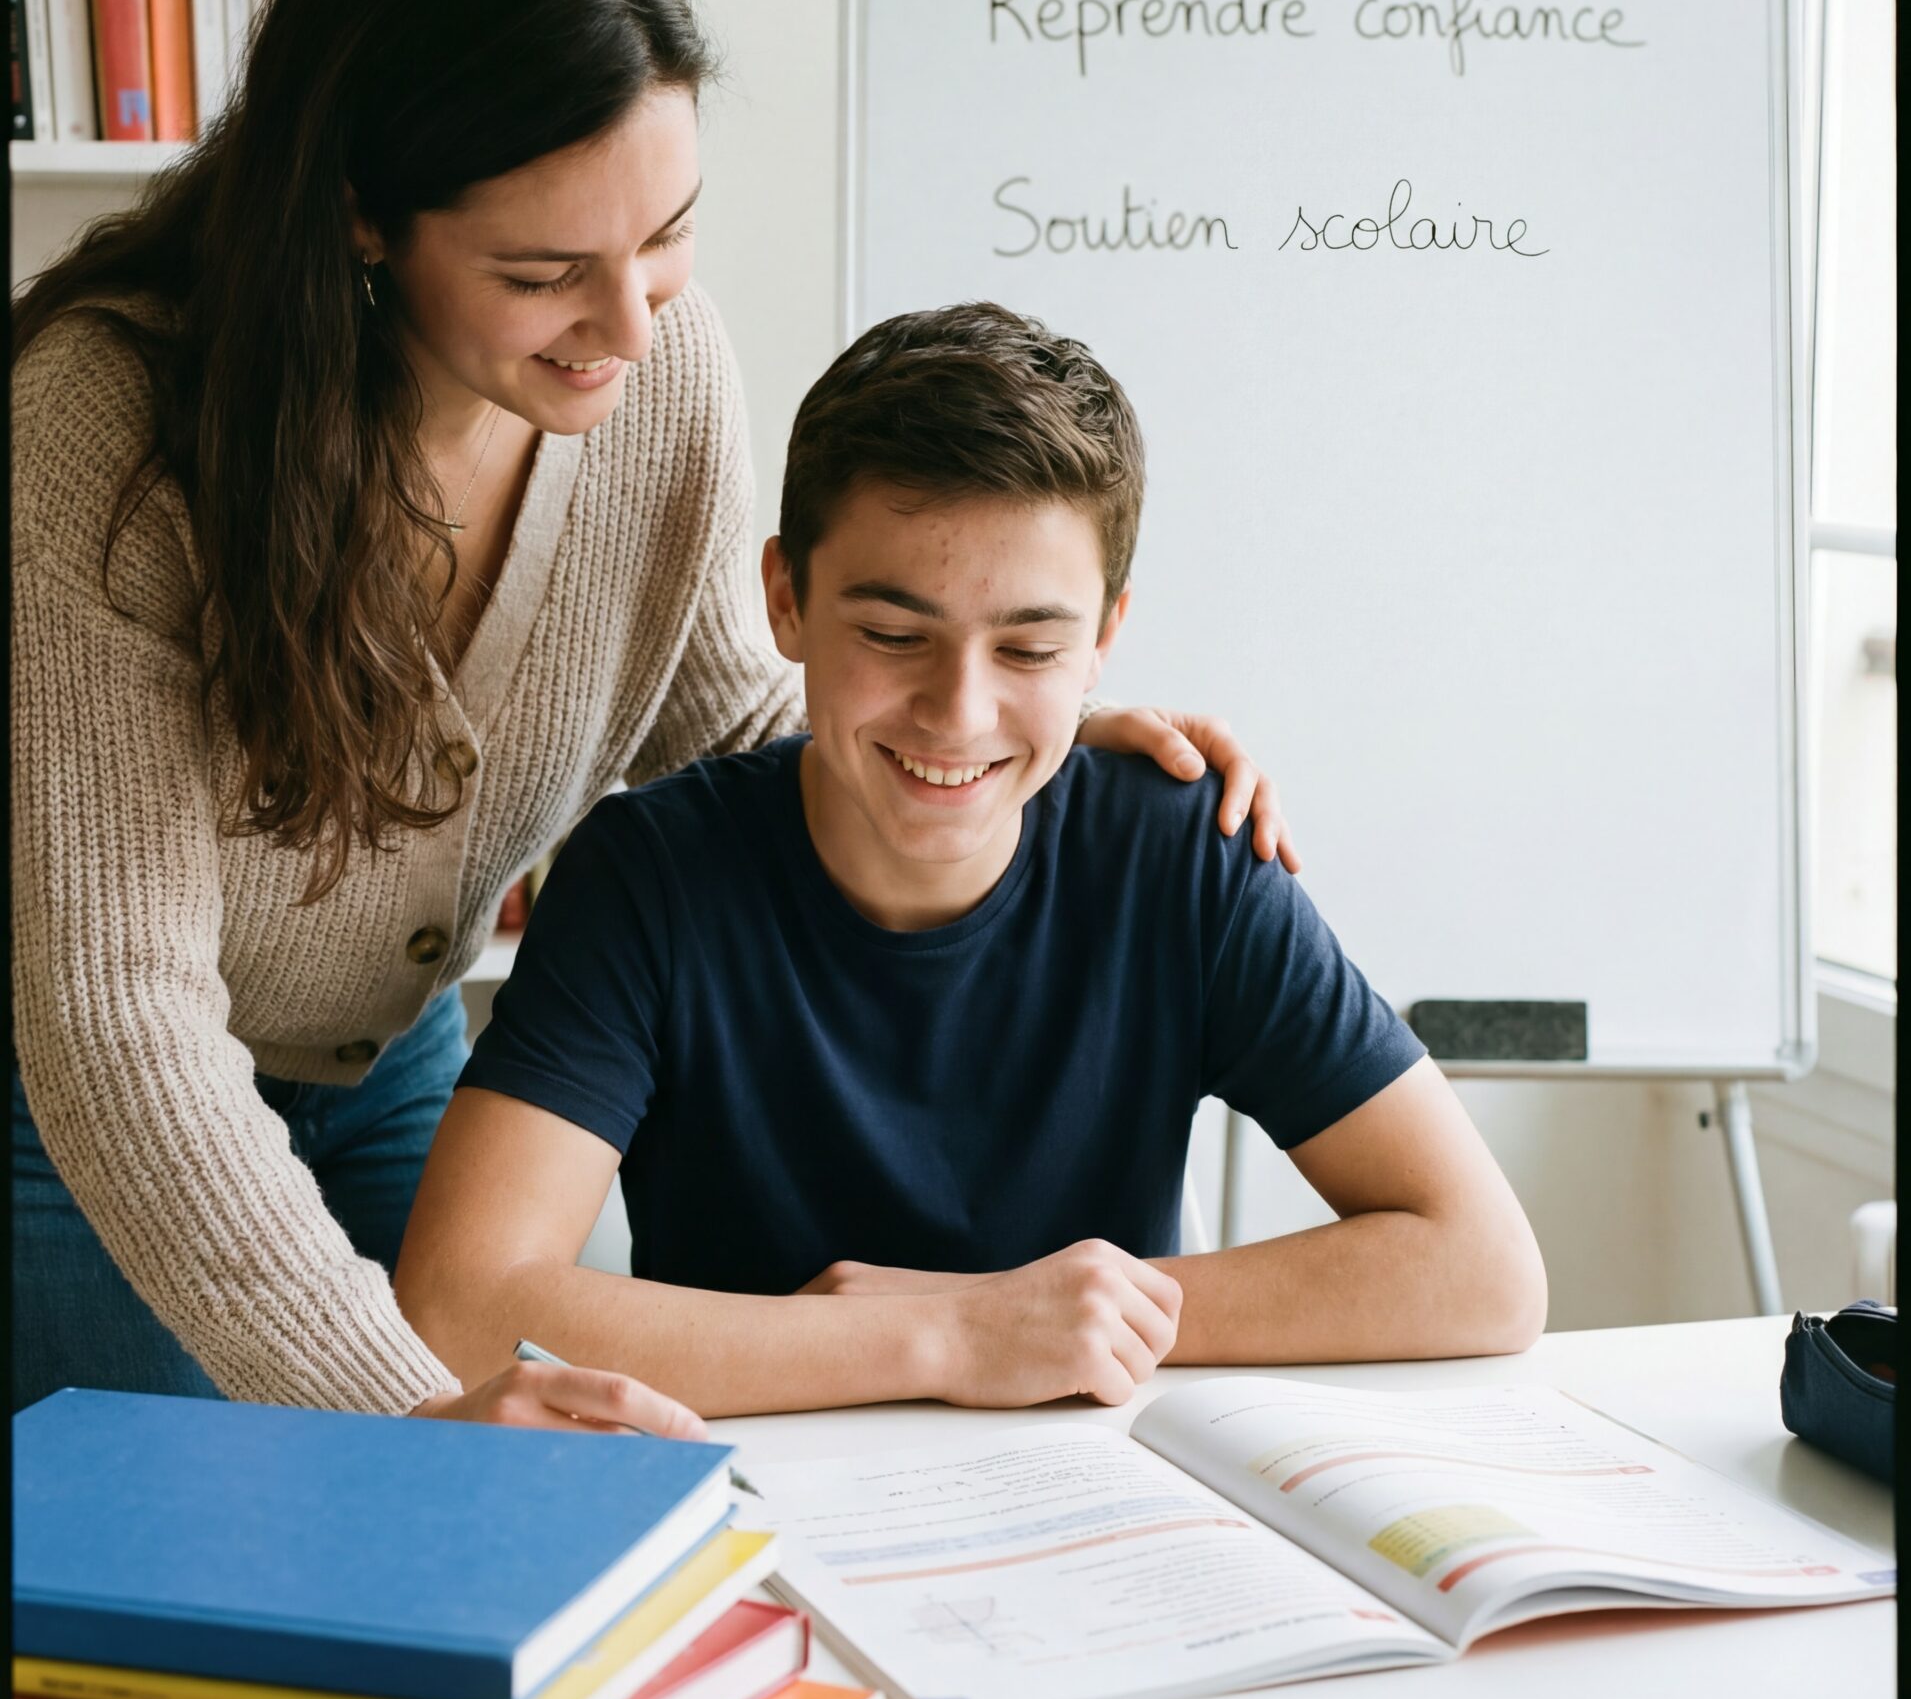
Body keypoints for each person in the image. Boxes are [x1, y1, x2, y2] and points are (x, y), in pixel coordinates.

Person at [10, 0, 1291, 1431]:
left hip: (381, 1064)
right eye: (545, 272)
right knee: (168, 1589)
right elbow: (111, 1010)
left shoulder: (656, 378)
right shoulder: (105, 431)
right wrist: (404, 1418)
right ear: (360, 218)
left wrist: (985, 736)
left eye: (665, 235)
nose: (630, 326)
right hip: (74, 1111)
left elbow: (728, 721)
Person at [395, 302, 1547, 1415]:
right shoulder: (649, 876)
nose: (958, 711)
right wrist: (953, 1335)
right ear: (785, 600)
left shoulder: (1181, 856)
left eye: (1031, 647)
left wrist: (1072, 1320)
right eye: (894, 636)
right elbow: (460, 1303)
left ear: (1104, 639)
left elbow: (1484, 1269)